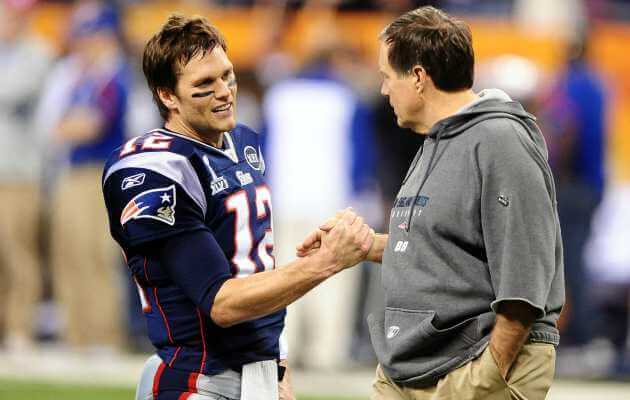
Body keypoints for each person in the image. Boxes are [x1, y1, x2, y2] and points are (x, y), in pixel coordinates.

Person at [102, 14, 373, 400]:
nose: (224, 91)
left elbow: (254, 263)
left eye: (226, 76)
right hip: (197, 378)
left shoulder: (242, 141)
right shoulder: (152, 170)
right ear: (167, 95)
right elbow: (221, 301)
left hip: (257, 375)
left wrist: (276, 364)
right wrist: (326, 262)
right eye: (204, 84)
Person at [298, 6, 564, 399]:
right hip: (415, 361)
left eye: (387, 77)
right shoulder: (437, 141)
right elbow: (446, 250)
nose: (384, 90)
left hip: (471, 362)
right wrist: (364, 245)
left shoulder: (500, 140)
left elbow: (524, 277)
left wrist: (489, 373)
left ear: (419, 78)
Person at [48, 2, 130, 351]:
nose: (86, 44)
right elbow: (59, 124)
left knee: (99, 255)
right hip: (72, 171)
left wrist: (70, 127)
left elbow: (92, 126)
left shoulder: (116, 77)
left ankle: (104, 334)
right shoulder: (82, 77)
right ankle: (75, 333)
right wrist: (69, 126)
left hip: (100, 173)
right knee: (69, 253)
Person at [0, 0, 52, 353]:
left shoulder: (38, 53)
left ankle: (21, 330)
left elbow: (11, 92)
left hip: (20, 173)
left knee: (18, 252)